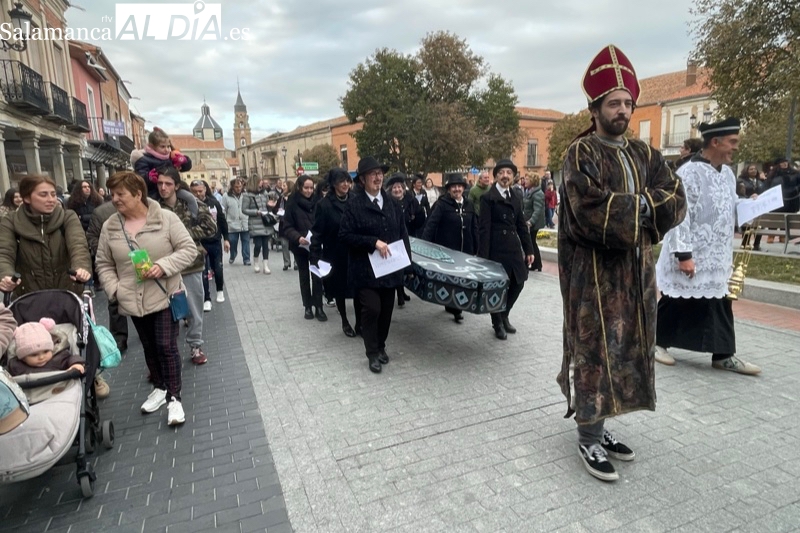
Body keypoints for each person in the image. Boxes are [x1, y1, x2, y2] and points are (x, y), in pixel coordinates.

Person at [557, 45, 686, 482]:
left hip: (636, 277)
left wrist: (639, 208)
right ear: (594, 108)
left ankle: (604, 424)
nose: (623, 110)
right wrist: (647, 210)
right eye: (614, 103)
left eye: (628, 102)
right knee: (595, 352)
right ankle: (588, 438)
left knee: (626, 348)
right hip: (594, 279)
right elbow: (589, 213)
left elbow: (675, 196)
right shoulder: (581, 155)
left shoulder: (644, 154)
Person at [655, 117, 761, 377]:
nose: (735, 147)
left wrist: (750, 205)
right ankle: (654, 343)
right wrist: (683, 255)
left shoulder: (726, 174)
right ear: (715, 141)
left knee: (719, 301)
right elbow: (680, 215)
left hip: (716, 254)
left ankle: (723, 355)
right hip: (691, 250)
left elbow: (730, 206)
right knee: (676, 299)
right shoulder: (688, 172)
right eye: (732, 142)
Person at [96, 171, 197, 426]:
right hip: (131, 297)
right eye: (113, 194)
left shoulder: (165, 218)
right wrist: (115, 290)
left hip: (163, 294)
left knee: (166, 345)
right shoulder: (110, 226)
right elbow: (103, 263)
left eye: (121, 194)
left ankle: (175, 398)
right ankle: (160, 388)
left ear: (138, 194)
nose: (115, 199)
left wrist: (163, 266)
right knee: (149, 346)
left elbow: (188, 250)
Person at [339, 156, 411, 374]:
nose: (378, 177)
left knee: (387, 312)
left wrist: (407, 264)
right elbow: (344, 235)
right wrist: (372, 242)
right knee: (372, 308)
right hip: (365, 271)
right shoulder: (354, 204)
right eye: (373, 174)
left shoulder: (392, 203)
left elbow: (402, 233)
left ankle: (381, 346)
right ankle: (371, 353)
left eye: (380, 173)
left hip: (389, 269)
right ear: (362, 180)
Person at [155, 166, 217, 365]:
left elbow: (210, 227)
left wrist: (184, 235)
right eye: (160, 184)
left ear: (176, 186)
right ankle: (165, 355)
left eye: (168, 184)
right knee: (165, 312)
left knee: (194, 308)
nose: (163, 188)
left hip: (191, 263)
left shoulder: (192, 203)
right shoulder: (154, 207)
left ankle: (195, 345)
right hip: (165, 265)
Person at [0, 174, 92, 297]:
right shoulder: (11, 221)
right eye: (43, 195)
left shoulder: (67, 217)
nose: (51, 199)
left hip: (66, 295)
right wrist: (6, 275)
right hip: (28, 296)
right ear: (27, 198)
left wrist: (81, 267)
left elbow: (78, 245)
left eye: (53, 194)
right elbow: (4, 252)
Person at [477, 159, 535, 340]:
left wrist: (529, 249)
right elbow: (484, 229)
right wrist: (483, 257)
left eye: (509, 173)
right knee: (497, 286)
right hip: (495, 248)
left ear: (513, 176)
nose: (505, 176)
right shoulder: (487, 198)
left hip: (513, 248)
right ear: (496, 176)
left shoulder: (516, 198)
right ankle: (497, 323)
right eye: (501, 172)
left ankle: (504, 314)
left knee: (519, 282)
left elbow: (521, 226)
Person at [421, 173, 478, 322]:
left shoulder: (469, 205)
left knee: (462, 280)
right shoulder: (442, 204)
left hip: (465, 250)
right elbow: (431, 225)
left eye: (459, 186)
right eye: (454, 187)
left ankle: (454, 305)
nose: (457, 189)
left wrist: (477, 249)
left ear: (463, 188)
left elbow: (474, 227)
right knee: (452, 281)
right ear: (449, 189)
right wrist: (424, 245)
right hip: (447, 251)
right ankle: (455, 308)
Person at [311, 168, 361, 337]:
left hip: (355, 251)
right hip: (335, 253)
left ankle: (360, 322)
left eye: (348, 180)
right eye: (342, 181)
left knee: (358, 289)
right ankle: (345, 321)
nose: (346, 184)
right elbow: (317, 233)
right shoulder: (324, 205)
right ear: (333, 184)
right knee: (339, 290)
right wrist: (315, 257)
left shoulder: (355, 199)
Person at [87, 200, 129, 353]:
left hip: (139, 260)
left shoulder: (145, 207)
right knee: (114, 299)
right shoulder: (101, 212)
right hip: (115, 262)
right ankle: (119, 337)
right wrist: (105, 251)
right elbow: (91, 236)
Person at [283, 175, 326, 321]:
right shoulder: (292, 202)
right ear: (300, 187)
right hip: (300, 245)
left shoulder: (318, 201)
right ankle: (307, 306)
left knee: (317, 276)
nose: (309, 191)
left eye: (311, 187)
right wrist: (297, 237)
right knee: (304, 276)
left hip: (315, 243)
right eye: (306, 188)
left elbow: (322, 222)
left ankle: (319, 306)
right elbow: (287, 226)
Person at [131, 127, 198, 217]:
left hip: (173, 189)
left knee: (190, 198)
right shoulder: (143, 159)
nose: (166, 149)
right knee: (151, 208)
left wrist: (184, 160)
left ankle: (194, 217)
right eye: (162, 147)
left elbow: (185, 167)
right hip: (153, 191)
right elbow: (139, 178)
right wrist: (148, 177)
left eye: (168, 146)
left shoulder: (170, 157)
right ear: (152, 146)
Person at [190, 180, 229, 311]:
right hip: (199, 243)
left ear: (205, 190)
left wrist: (226, 239)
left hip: (215, 241)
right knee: (203, 272)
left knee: (218, 268)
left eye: (200, 191)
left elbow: (222, 221)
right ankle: (207, 298)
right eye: (194, 192)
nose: (197, 194)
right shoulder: (188, 205)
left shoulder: (214, 203)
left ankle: (219, 290)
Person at [7, 318, 84, 376]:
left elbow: (71, 358)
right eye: (34, 355)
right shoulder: (16, 366)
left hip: (60, 389)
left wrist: (75, 364)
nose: (41, 357)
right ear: (23, 358)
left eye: (46, 351)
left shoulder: (59, 357)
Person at [242, 176, 276, 274]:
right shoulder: (247, 195)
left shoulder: (264, 193)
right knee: (258, 245)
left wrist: (270, 205)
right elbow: (244, 210)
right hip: (255, 222)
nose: (262, 183)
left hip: (265, 222)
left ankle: (265, 265)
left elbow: (267, 205)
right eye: (260, 181)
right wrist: (256, 212)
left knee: (266, 245)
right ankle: (256, 262)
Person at [736, 164, 767, 251]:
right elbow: (739, 195)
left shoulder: (760, 182)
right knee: (748, 226)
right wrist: (749, 197)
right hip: (747, 207)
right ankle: (745, 243)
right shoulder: (740, 181)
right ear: (746, 170)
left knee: (759, 225)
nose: (754, 170)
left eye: (755, 169)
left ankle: (757, 244)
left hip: (758, 208)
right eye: (751, 169)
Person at [221, 178, 251, 266]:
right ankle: (233, 254)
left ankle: (246, 259)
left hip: (244, 223)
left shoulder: (245, 195)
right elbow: (223, 210)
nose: (238, 189)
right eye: (236, 187)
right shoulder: (226, 196)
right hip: (232, 224)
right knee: (233, 242)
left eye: (240, 187)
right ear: (232, 187)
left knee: (246, 241)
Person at [522, 174, 545, 271]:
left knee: (531, 242)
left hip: (533, 223)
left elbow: (537, 210)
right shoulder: (530, 191)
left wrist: (531, 221)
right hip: (528, 221)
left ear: (533, 181)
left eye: (527, 179)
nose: (525, 181)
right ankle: (536, 264)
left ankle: (536, 264)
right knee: (531, 242)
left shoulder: (538, 193)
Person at [272, 180, 295, 271]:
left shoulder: (294, 198)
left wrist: (287, 202)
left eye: (284, 186)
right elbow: (274, 210)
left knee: (294, 245)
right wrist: (278, 209)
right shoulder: (281, 198)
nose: (282, 187)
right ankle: (286, 263)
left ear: (289, 187)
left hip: (293, 224)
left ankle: (296, 262)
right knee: (284, 244)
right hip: (283, 224)